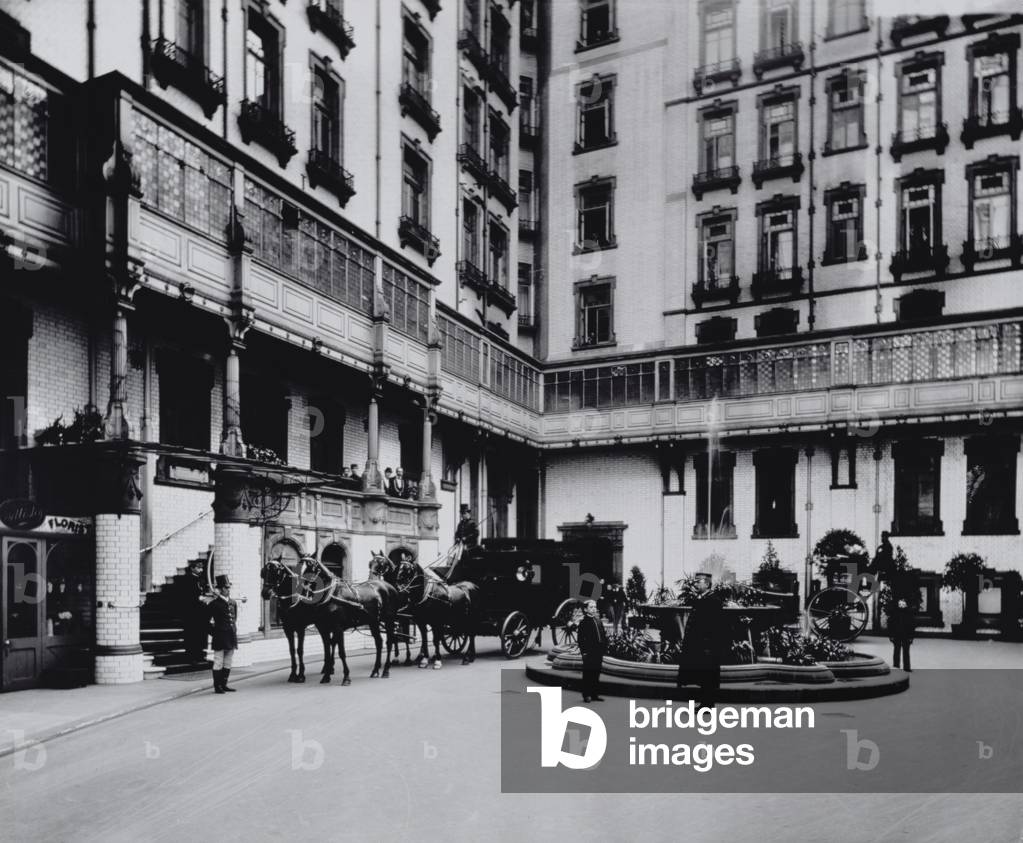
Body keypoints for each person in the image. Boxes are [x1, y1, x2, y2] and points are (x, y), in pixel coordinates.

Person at [676, 573, 728, 710]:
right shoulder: (704, 598)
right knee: (705, 675)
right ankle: (705, 703)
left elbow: (715, 625)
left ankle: (707, 704)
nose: (696, 584)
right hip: (702, 645)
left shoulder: (713, 600)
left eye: (699, 582)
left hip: (708, 645)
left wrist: (709, 645)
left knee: (708, 675)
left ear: (707, 584)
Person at [207, 574, 239, 694]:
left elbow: (234, 619)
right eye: (225, 588)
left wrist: (233, 631)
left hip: (231, 635)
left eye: (228, 587)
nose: (228, 590)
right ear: (220, 590)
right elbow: (205, 622)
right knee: (218, 661)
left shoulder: (233, 603)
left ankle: (224, 684)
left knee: (228, 660)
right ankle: (217, 686)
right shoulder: (214, 604)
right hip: (220, 636)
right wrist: (215, 633)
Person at [888, 568, 919, 672]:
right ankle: (896, 666)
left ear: (906, 604)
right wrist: (891, 635)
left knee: (906, 651)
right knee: (896, 651)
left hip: (906, 635)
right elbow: (891, 624)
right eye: (900, 603)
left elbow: (912, 626)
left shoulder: (909, 615)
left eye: (903, 603)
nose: (901, 604)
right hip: (897, 634)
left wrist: (911, 637)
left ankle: (907, 667)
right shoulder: (894, 614)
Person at [576, 599, 606, 703]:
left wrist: (604, 648)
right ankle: (586, 694)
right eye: (591, 607)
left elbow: (602, 635)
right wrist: (584, 652)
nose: (594, 609)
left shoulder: (598, 620)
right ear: (585, 609)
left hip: (598, 651)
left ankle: (594, 694)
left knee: (596, 673)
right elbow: (580, 639)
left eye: (595, 607)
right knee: (588, 673)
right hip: (589, 652)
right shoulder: (584, 622)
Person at [182, 558, 211, 663]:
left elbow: (202, 592)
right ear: (192, 568)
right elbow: (186, 596)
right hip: (191, 612)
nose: (201, 570)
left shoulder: (201, 580)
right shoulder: (187, 579)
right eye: (198, 568)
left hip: (200, 611)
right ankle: (191, 655)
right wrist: (198, 598)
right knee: (191, 634)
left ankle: (200, 654)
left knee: (200, 633)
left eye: (202, 568)